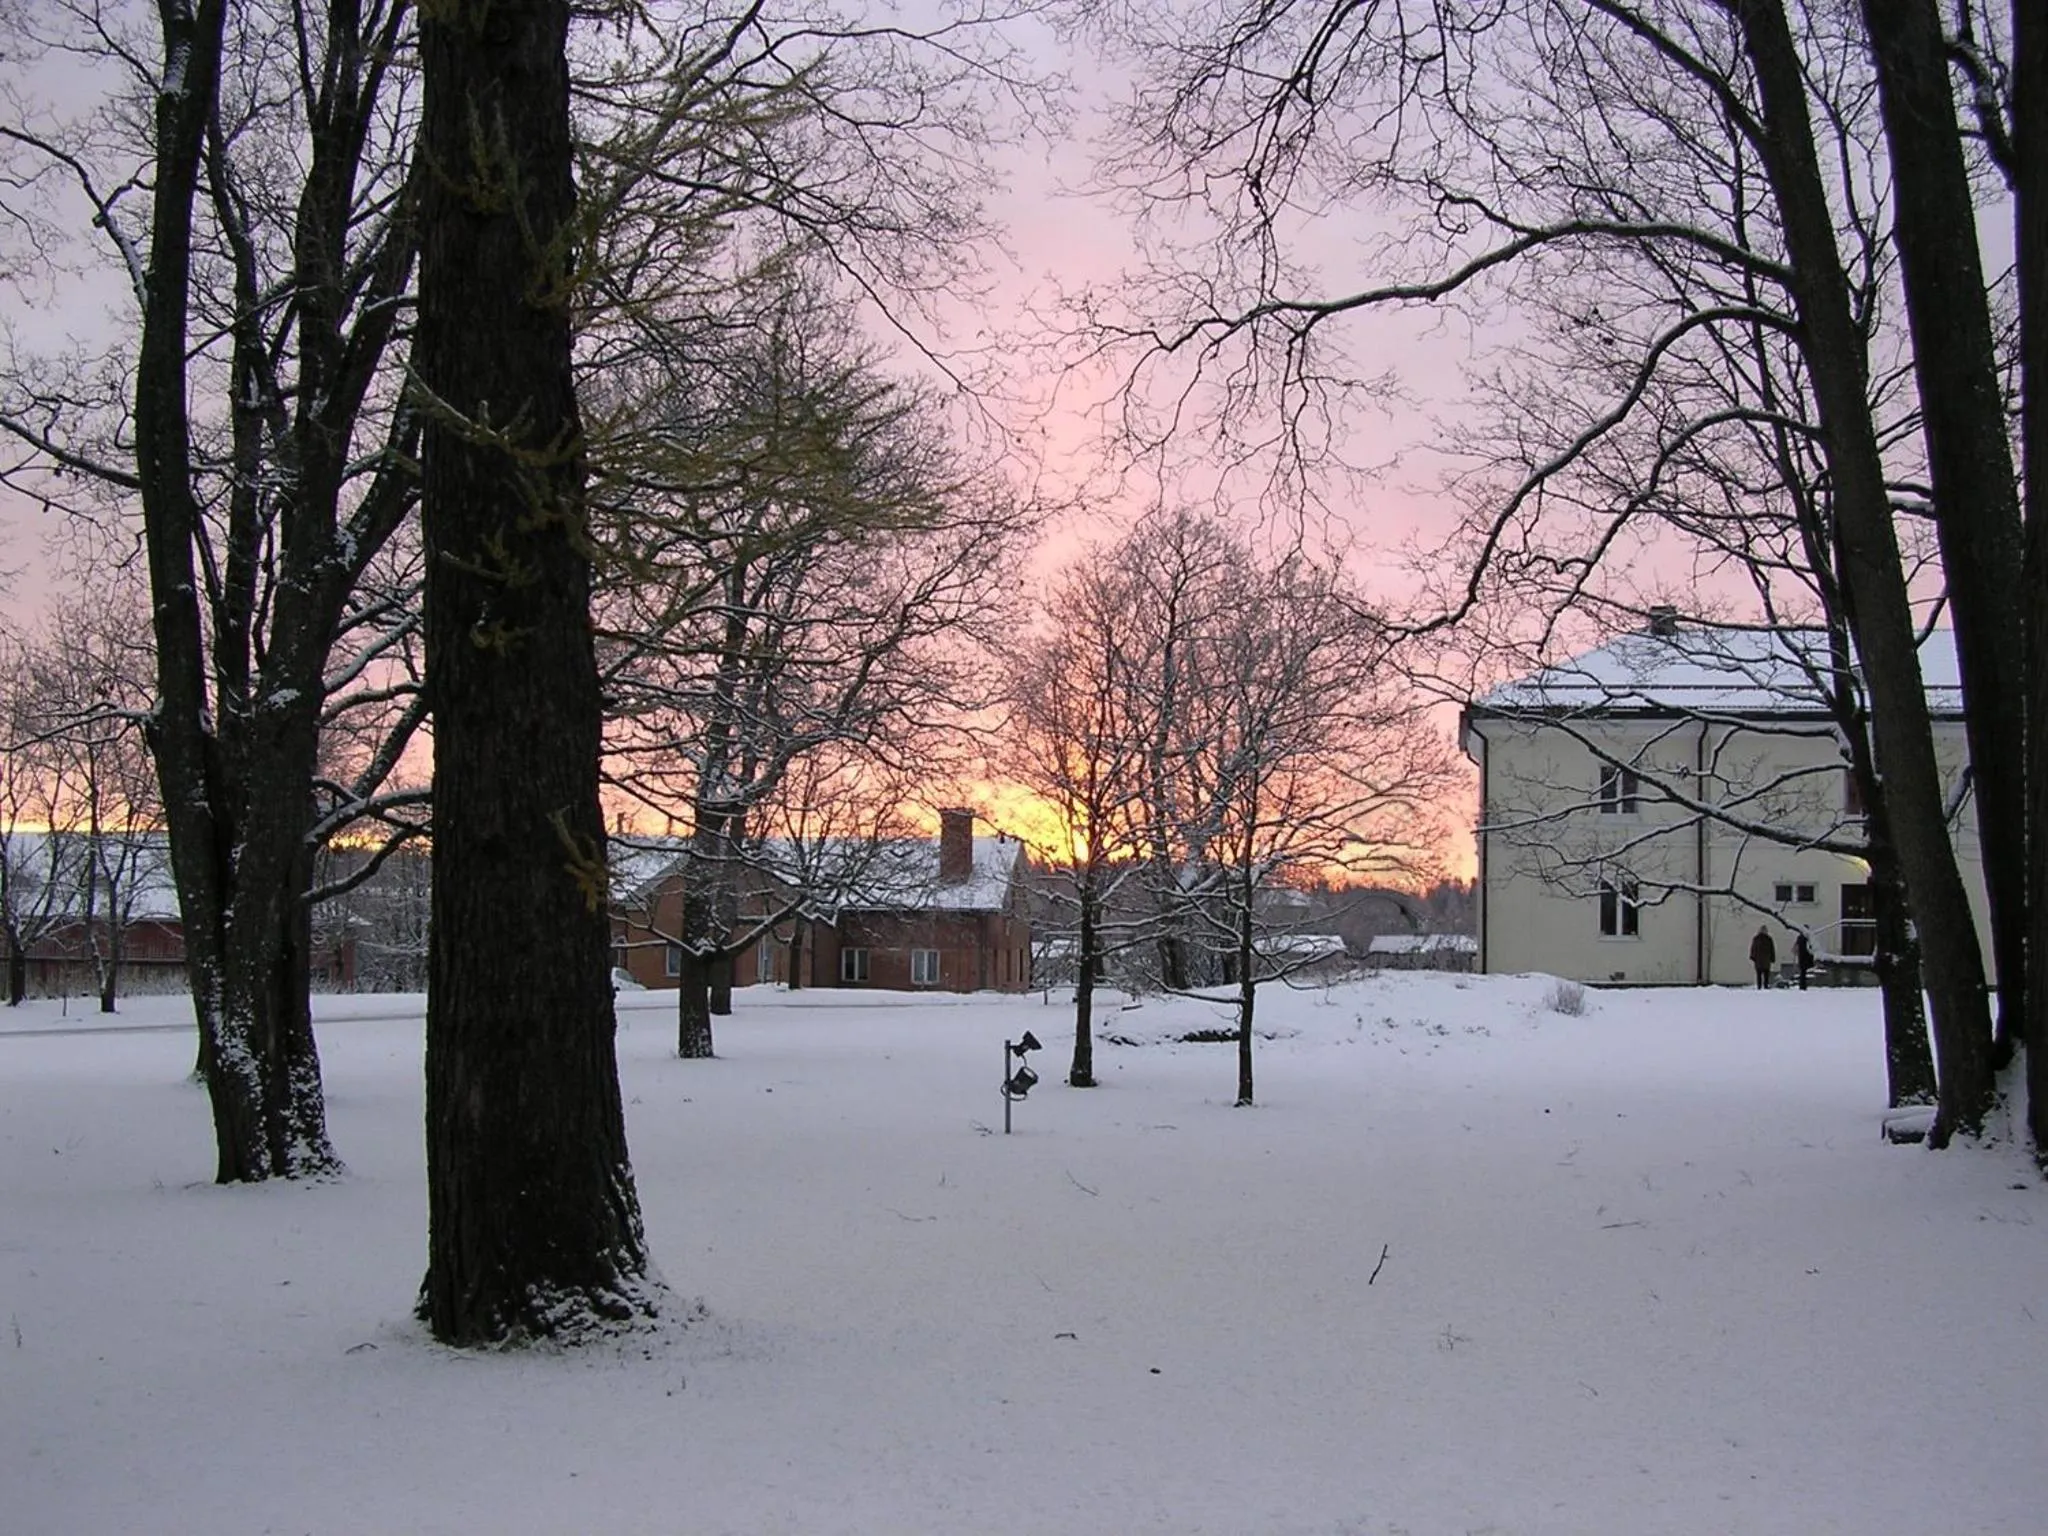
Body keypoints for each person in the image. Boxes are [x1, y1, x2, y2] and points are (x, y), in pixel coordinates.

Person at [1750, 926, 1777, 990]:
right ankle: (1765, 986)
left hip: (1758, 960)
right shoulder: (1769, 939)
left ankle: (1759, 986)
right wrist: (1772, 958)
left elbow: (1753, 948)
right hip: (1766, 960)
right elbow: (1772, 949)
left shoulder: (1756, 938)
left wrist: (1753, 957)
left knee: (1759, 974)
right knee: (1766, 974)